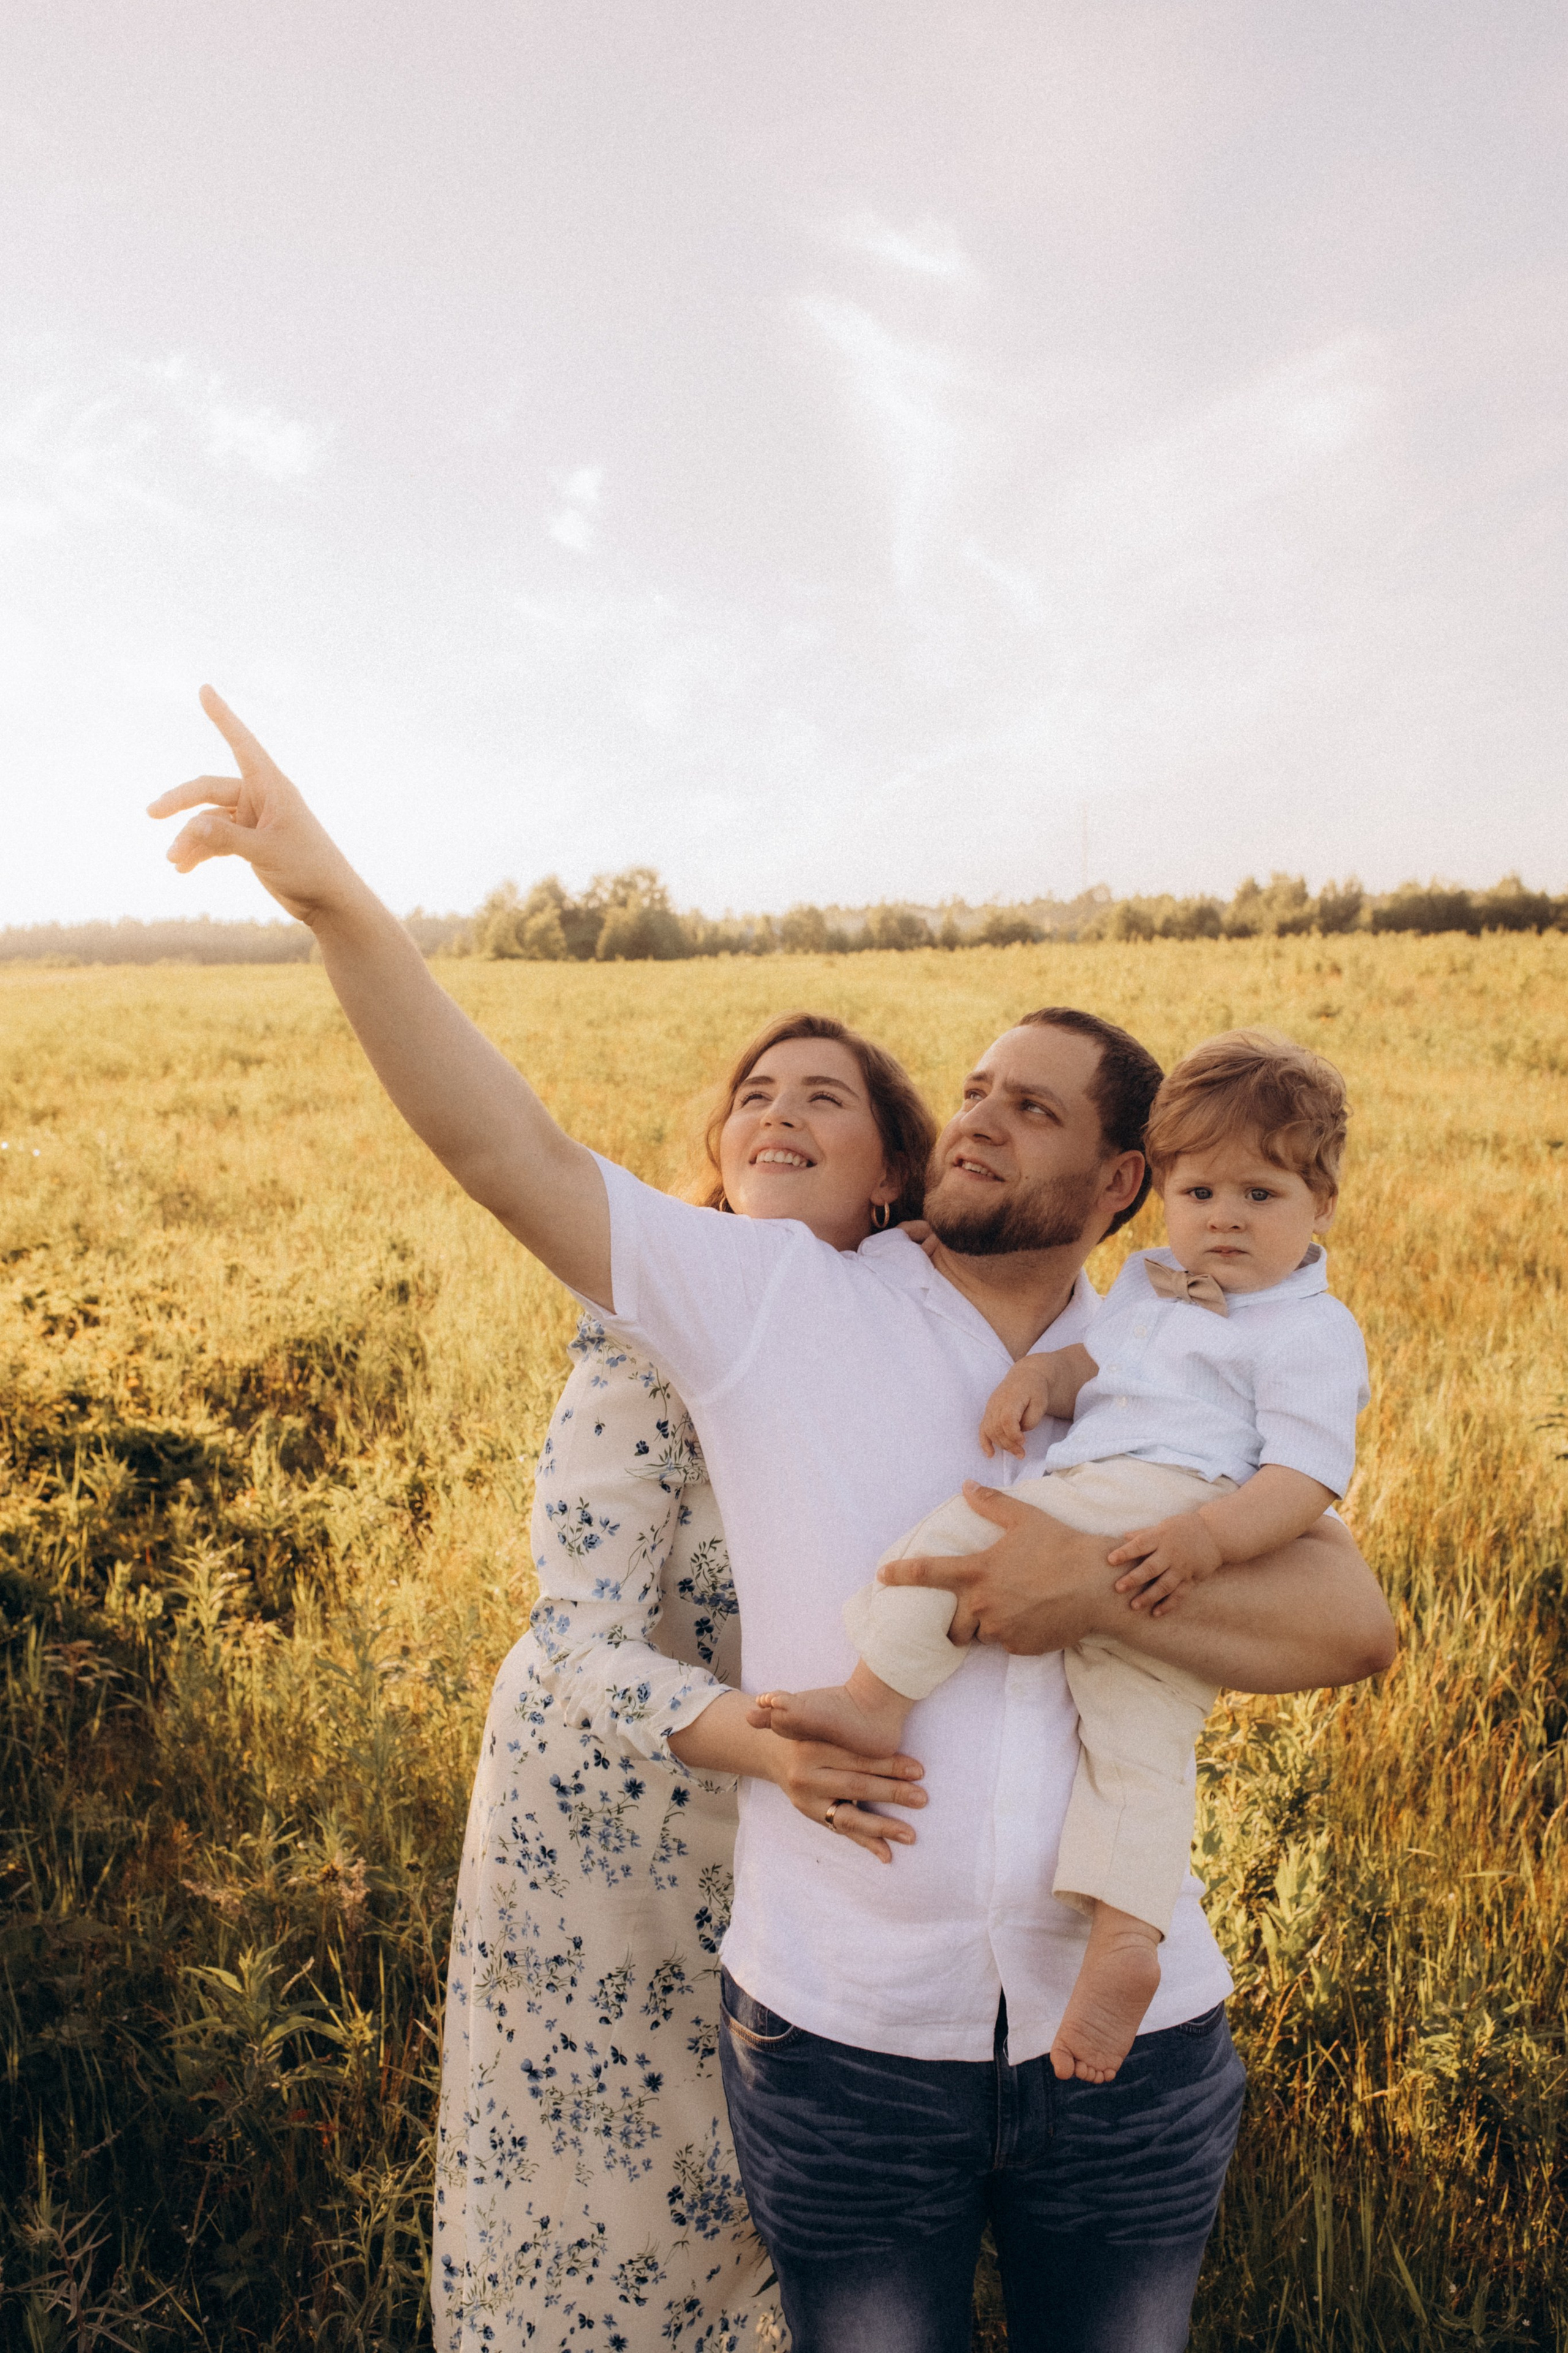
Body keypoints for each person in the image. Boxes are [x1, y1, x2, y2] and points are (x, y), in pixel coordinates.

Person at [149, 689, 1396, 2353]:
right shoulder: (773, 1303)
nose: (979, 1116)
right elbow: (505, 1149)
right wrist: (331, 900)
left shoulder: (1181, 1350)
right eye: (973, 1088)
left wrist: (1078, 1587)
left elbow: (1351, 1625)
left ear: (1121, 1182)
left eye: (1034, 1108)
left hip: (1137, 2043)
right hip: (845, 2044)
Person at [435, 1013, 937, 2352]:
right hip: (607, 1822)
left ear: (891, 1171)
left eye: (823, 1096)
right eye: (755, 1093)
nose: (778, 1112)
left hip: (789, 1825)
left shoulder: (912, 1334)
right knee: (610, 2202)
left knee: (760, 2200)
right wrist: (774, 1751)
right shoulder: (655, 1324)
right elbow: (573, 1638)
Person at [750, 1029, 1368, 2089]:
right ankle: (1127, 1934)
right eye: (1200, 1192)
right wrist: (1044, 1377)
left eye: (1260, 1196)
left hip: (1173, 1503)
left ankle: (872, 1700)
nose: (1224, 1218)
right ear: (1159, 1193)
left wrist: (1206, 1541)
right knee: (1137, 1740)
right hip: (1154, 1529)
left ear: (1323, 1204)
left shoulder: (1310, 1329)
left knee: (957, 1541)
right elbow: (1101, 1361)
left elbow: (1307, 1473)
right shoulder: (1153, 1284)